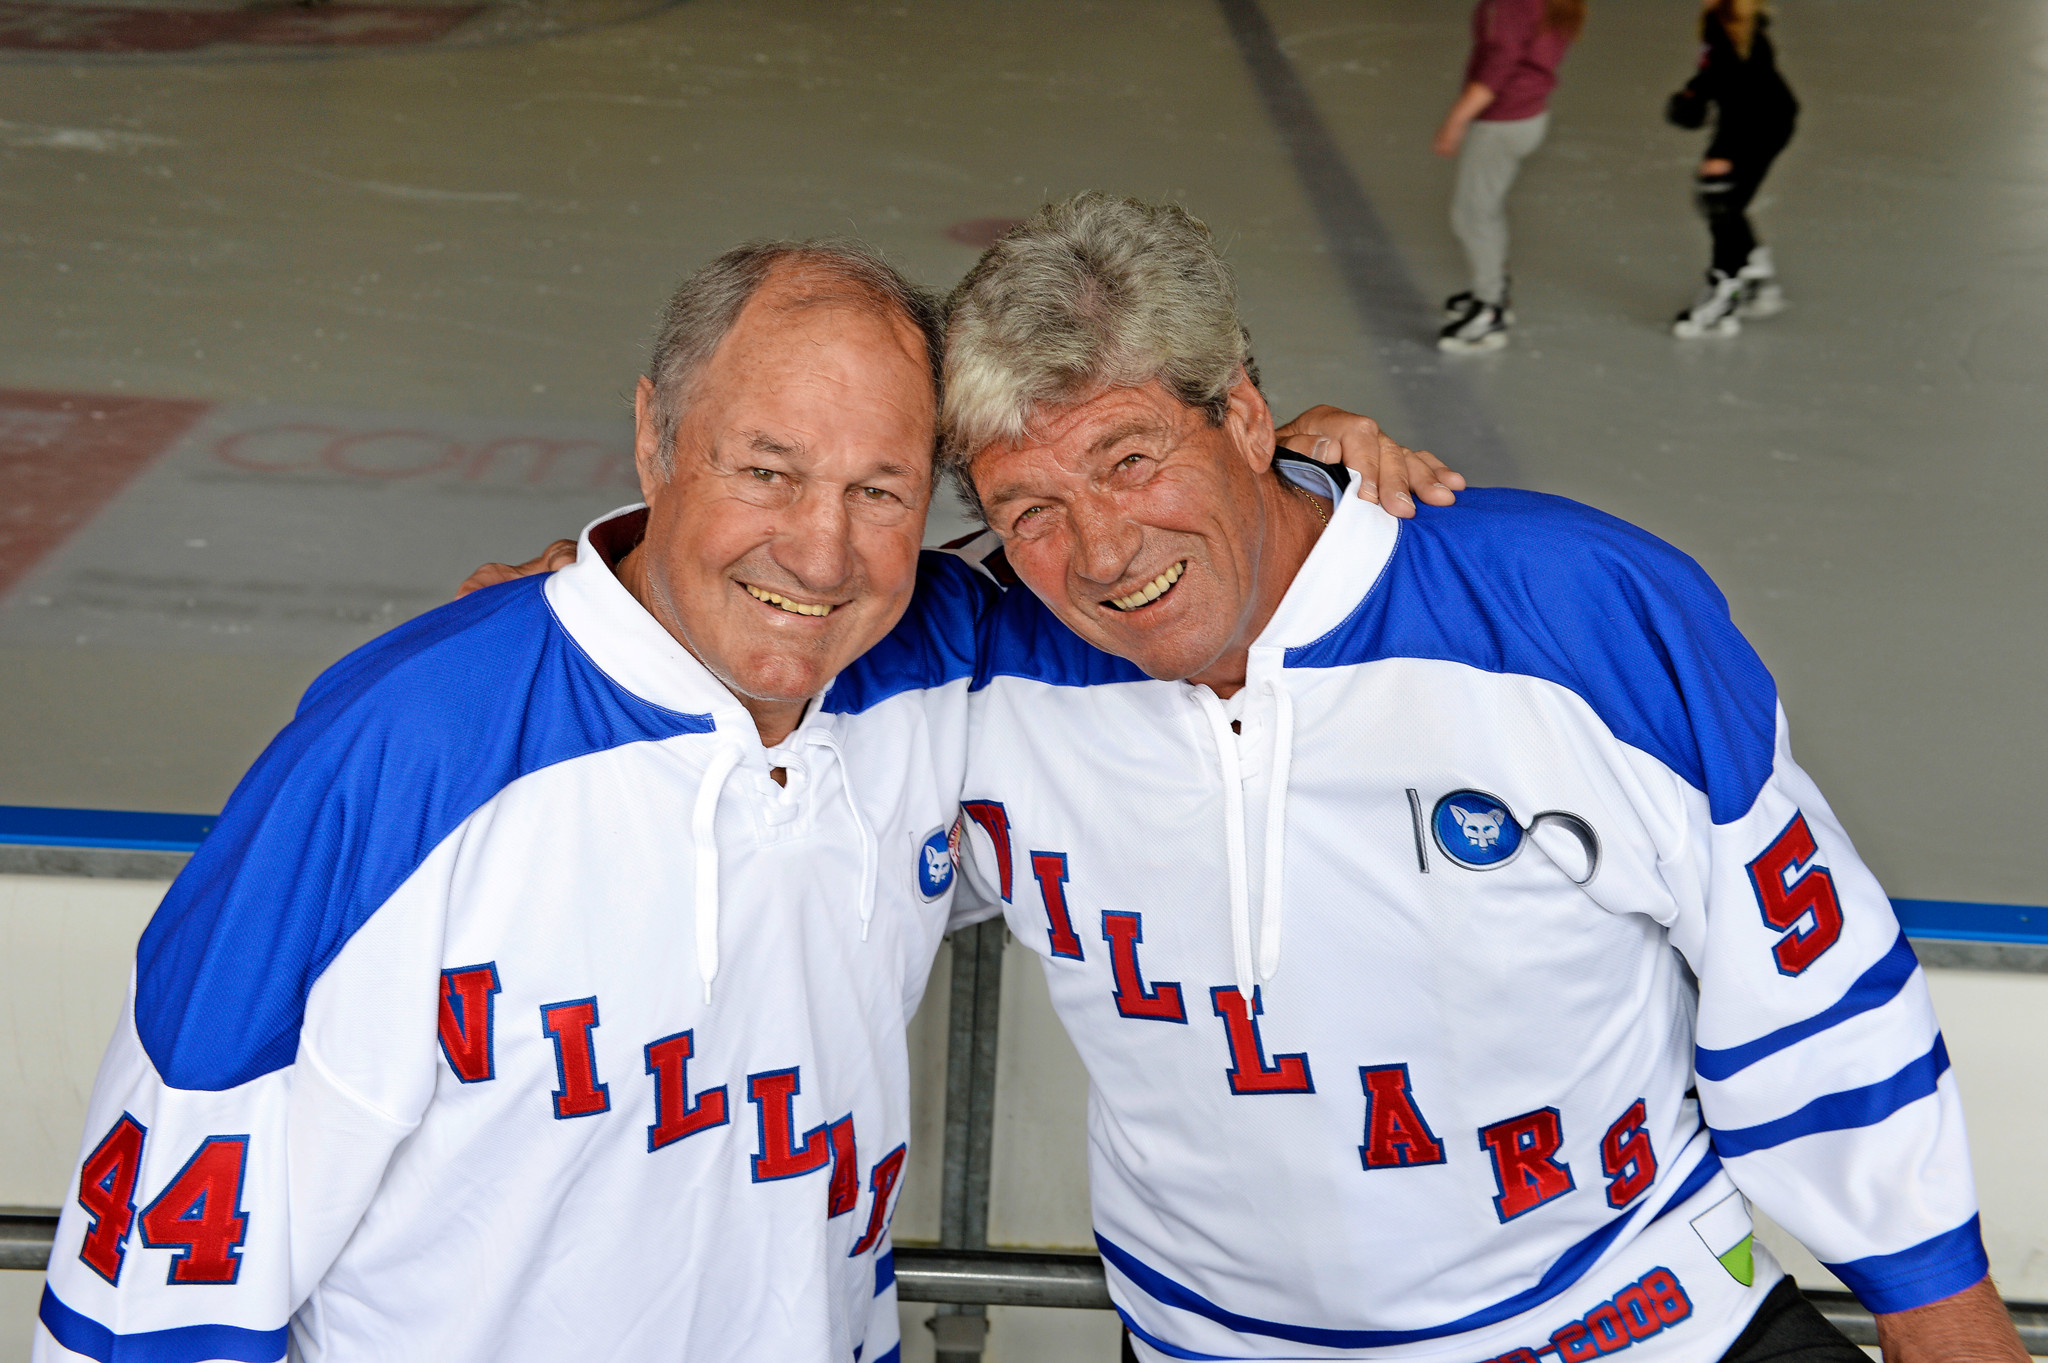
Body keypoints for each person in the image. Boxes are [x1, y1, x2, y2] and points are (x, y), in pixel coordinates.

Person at [36, 235, 1452, 1362]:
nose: (820, 554)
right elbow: (158, 1276)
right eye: (765, 472)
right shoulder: (403, 752)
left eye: (880, 491)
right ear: (656, 439)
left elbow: (1148, 572)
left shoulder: (937, 672)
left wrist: (1288, 469)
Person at [935, 194, 2025, 1362]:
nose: (1101, 551)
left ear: (1244, 415)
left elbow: (1801, 979)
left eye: (1131, 460)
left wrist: (1936, 1309)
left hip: (1637, 1328)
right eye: (1029, 510)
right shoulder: (970, 669)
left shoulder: (1565, 606)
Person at [1433, 0, 1585, 353]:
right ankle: (1494, 288)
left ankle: (1489, 310)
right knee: (1486, 209)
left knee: (1472, 214)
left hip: (1501, 122)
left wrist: (1455, 120)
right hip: (1528, 115)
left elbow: (1497, 68)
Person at [1666, 0, 1799, 339]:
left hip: (1760, 123)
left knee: (1720, 197)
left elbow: (1741, 93)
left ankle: (1725, 292)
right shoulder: (1728, 22)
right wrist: (1695, 92)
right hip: (1769, 118)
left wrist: (1724, 152)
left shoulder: (1728, 29)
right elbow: (1721, 76)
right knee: (1725, 201)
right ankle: (1754, 271)